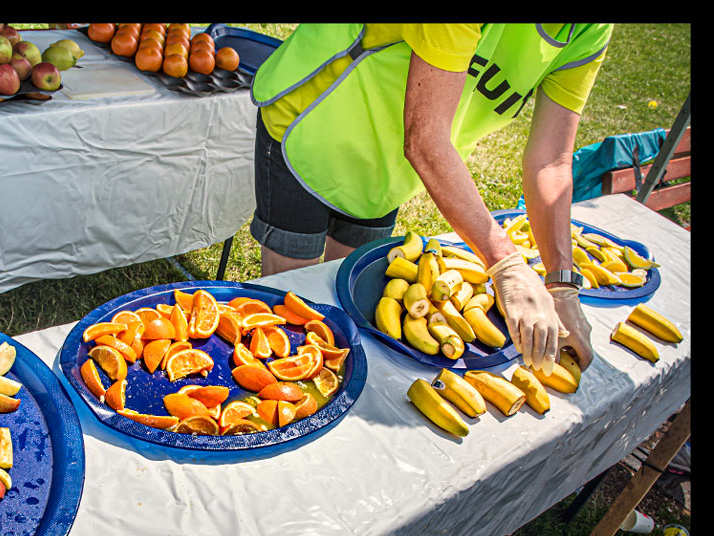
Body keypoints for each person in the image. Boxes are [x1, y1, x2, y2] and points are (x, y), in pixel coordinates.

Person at [249, 23, 614, 375]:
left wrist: (561, 283)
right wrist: (507, 265)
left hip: (386, 161)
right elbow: (424, 140)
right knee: (292, 310)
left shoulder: (589, 29)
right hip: (311, 125)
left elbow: (551, 161)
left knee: (343, 310)